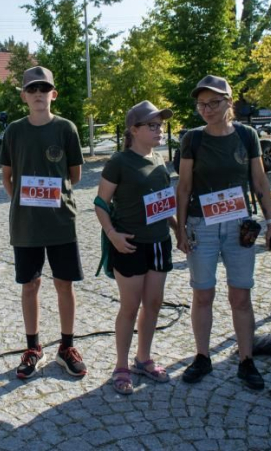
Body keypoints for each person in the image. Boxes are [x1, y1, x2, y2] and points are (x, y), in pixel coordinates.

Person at [175, 75, 271, 390]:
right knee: (202, 293)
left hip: (239, 225)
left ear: (229, 102)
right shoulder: (192, 138)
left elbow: (259, 182)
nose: (206, 109)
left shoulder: (247, 136)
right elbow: (184, 187)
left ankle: (247, 360)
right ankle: (202, 356)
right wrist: (180, 230)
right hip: (201, 224)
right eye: (202, 104)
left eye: (214, 102)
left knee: (240, 295)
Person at [0, 66, 88, 379]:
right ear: (24, 96)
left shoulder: (66, 128)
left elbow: (74, 175)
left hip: (61, 220)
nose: (38, 94)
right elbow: (7, 177)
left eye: (43, 89)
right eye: (32, 90)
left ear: (54, 93)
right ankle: (33, 346)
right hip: (26, 224)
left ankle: (67, 346)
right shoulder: (14, 131)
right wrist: (24, 201)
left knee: (64, 283)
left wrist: (51, 196)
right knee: (30, 284)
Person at [94, 100, 177, 395]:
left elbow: (165, 204)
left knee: (153, 304)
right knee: (130, 307)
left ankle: (143, 358)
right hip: (129, 245)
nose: (159, 130)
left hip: (159, 243)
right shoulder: (119, 161)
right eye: (152, 125)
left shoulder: (159, 159)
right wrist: (112, 234)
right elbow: (100, 203)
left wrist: (178, 232)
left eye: (160, 125)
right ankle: (121, 365)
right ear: (134, 129)